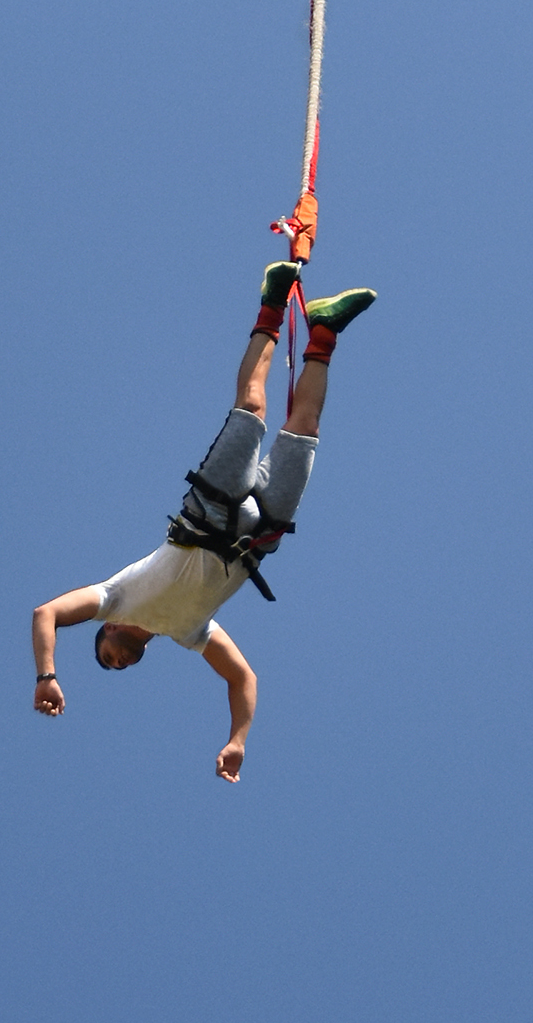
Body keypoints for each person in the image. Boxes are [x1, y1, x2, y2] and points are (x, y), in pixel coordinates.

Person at [30, 261, 378, 780]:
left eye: (106, 657)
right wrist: (237, 740)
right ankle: (324, 331)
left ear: (105, 633)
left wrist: (46, 676)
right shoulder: (190, 632)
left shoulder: (113, 598)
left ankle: (272, 302)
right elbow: (242, 679)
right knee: (304, 427)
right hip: (259, 537)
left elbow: (45, 614)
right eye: (120, 669)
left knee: (253, 407)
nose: (117, 663)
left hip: (211, 509)